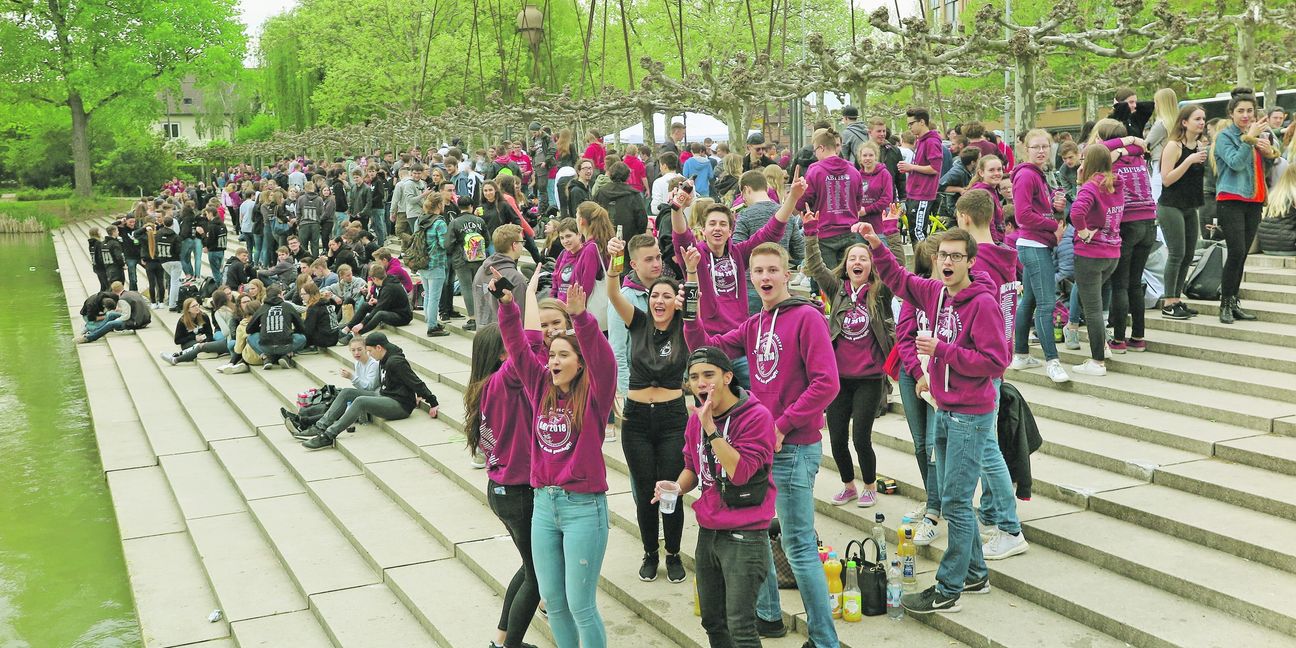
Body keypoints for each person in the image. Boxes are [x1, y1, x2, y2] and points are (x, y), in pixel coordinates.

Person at [681, 241, 839, 646]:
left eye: (773, 270)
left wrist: (781, 426)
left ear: (787, 274)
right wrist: (692, 287)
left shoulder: (807, 318)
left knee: (798, 544)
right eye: (758, 271)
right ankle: (769, 615)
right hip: (762, 449)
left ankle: (825, 640)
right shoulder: (755, 324)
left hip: (795, 447)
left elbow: (827, 383)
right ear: (749, 277)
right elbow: (707, 347)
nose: (765, 277)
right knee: (760, 535)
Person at [858, 223, 1010, 614]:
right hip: (944, 409)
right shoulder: (936, 293)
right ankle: (975, 574)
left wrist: (943, 350)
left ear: (970, 262)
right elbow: (898, 279)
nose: (948, 261)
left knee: (957, 503)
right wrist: (877, 244)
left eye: (957, 256)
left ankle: (948, 589)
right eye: (943, 254)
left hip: (970, 415)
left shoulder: (982, 303)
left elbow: (997, 362)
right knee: (954, 499)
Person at [494, 280, 615, 648]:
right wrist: (508, 307)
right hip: (544, 506)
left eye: (564, 355)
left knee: (580, 605)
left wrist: (580, 318)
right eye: (552, 355)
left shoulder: (596, 394)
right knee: (556, 604)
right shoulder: (539, 385)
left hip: (583, 507)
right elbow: (516, 346)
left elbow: (604, 359)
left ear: (580, 364)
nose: (555, 361)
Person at [653, 347, 776, 648]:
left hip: (745, 535)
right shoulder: (696, 418)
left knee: (741, 627)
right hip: (709, 532)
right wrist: (676, 487)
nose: (701, 383)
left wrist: (710, 427)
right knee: (713, 620)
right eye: (694, 377)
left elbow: (741, 473)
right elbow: (691, 466)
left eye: (709, 375)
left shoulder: (756, 417)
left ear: (727, 376)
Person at [605, 235, 689, 584]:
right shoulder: (637, 321)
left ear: (676, 301)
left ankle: (673, 552)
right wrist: (614, 262)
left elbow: (698, 307)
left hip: (672, 419)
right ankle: (650, 553)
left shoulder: (686, 326)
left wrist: (694, 274)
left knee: (670, 489)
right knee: (643, 490)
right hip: (637, 420)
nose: (659, 299)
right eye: (655, 294)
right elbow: (612, 293)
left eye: (666, 295)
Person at [800, 209, 894, 508]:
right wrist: (811, 232)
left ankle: (869, 485)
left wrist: (888, 232)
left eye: (863, 259)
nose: (857, 262)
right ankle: (848, 485)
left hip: (869, 378)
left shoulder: (879, 293)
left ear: (871, 266)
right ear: (846, 264)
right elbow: (815, 265)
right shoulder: (838, 290)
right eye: (853, 258)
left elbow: (897, 268)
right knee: (837, 438)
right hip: (838, 379)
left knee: (861, 438)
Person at [463, 323, 541, 648]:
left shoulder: (483, 386)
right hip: (517, 493)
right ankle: (511, 646)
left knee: (530, 569)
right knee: (539, 578)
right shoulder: (500, 384)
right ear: (499, 352)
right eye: (509, 344)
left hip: (503, 490)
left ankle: (501, 640)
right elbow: (533, 339)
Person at [298, 332, 439, 448]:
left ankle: (328, 436)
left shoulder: (395, 361)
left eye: (370, 351)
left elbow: (415, 381)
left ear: (379, 347)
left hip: (399, 406)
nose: (369, 355)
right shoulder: (385, 357)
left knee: (360, 401)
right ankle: (320, 426)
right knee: (347, 392)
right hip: (385, 396)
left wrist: (432, 401)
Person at [1009, 129, 1070, 383]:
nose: (1042, 151)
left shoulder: (1040, 176)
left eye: (1046, 146)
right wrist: (1053, 225)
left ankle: (1021, 354)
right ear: (1026, 149)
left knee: (1031, 301)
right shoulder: (1026, 176)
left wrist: (1054, 209)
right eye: (1036, 147)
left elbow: (1036, 211)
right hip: (1033, 246)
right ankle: (1052, 362)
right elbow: (1022, 216)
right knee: (1046, 305)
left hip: (1038, 245)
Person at [1214, 88, 1279, 324]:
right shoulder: (1224, 136)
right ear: (1231, 113)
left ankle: (1233, 302)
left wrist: (1268, 151)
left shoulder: (1262, 131)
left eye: (1249, 110)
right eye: (1240, 111)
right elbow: (1235, 164)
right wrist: (1249, 139)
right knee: (1237, 251)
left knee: (1242, 256)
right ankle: (1224, 304)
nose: (1245, 115)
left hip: (1255, 199)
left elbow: (1275, 160)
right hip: (1231, 200)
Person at [1092, 119, 1155, 353]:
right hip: (1149, 221)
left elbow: (1093, 153)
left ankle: (1118, 340)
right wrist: (1129, 141)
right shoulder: (1137, 155)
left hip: (1126, 223)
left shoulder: (1109, 159)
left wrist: (1118, 144)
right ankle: (1138, 337)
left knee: (1120, 284)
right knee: (1135, 283)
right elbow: (1141, 145)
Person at [1063, 146, 1125, 377]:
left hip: (1091, 254)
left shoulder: (1091, 186)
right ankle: (1104, 348)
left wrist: (1083, 232)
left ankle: (1097, 361)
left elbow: (1076, 213)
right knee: (1095, 303)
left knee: (1093, 310)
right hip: (1113, 252)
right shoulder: (1115, 183)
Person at [1158, 104, 1210, 321]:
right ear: (1184, 122)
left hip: (1191, 205)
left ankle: (1177, 299)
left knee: (1189, 255)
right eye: (1197, 118)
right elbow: (1166, 179)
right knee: (1177, 253)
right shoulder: (1173, 146)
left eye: (1203, 119)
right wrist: (1189, 160)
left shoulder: (1200, 145)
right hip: (1171, 206)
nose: (1201, 122)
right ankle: (1169, 301)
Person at [796, 128, 863, 271]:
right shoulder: (854, 171)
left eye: (815, 151)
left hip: (824, 232)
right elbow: (858, 201)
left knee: (827, 281)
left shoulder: (815, 171)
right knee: (848, 278)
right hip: (849, 230)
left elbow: (805, 201)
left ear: (821, 148)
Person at [899, 107, 944, 242]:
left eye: (912, 123)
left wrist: (911, 167)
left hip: (924, 193)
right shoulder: (920, 141)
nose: (910, 127)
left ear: (922, 122)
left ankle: (925, 261)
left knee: (918, 233)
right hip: (914, 192)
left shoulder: (931, 141)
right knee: (913, 231)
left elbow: (935, 168)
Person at [473, 224, 527, 327]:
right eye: (522, 242)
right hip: (506, 339)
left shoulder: (481, 269)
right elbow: (520, 319)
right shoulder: (516, 278)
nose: (522, 246)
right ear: (514, 245)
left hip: (484, 335)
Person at [448, 197, 489, 331]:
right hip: (479, 259)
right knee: (480, 287)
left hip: (461, 260)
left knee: (466, 288)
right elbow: (487, 241)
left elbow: (448, 244)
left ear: (459, 207)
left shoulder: (455, 223)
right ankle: (484, 316)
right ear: (471, 206)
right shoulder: (479, 221)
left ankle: (473, 318)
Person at [247, 283, 307, 370]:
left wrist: (263, 330)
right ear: (279, 295)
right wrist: (290, 331)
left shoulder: (262, 308)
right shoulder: (288, 306)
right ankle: (287, 355)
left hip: (266, 347)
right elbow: (302, 328)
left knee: (250, 338)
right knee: (302, 338)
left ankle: (265, 357)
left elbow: (249, 330)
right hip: (286, 345)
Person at [344, 265, 413, 337]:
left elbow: (380, 308)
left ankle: (357, 333)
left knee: (380, 314)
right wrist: (378, 301)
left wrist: (362, 324)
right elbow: (389, 301)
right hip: (393, 310)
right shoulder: (387, 279)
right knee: (366, 305)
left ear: (375, 279)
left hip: (403, 316)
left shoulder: (389, 288)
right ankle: (347, 328)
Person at [596, 161, 649, 237]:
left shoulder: (601, 192)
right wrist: (640, 233)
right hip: (629, 237)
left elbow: (593, 214)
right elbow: (642, 218)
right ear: (628, 176)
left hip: (605, 235)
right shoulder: (634, 194)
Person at [203, 206, 228, 281]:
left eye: (207, 214)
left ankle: (220, 287)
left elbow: (210, 239)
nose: (206, 216)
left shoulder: (212, 226)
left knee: (216, 272)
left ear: (210, 214)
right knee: (219, 270)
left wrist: (204, 238)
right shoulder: (222, 224)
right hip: (221, 250)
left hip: (214, 250)